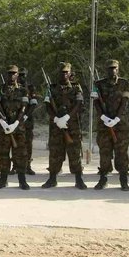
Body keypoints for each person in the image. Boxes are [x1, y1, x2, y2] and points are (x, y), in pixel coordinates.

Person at [42, 62, 87, 190]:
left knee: (75, 152)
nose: (64, 74)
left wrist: (67, 117)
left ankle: (79, 179)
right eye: (62, 72)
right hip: (56, 125)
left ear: (70, 73)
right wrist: (56, 118)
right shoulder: (51, 88)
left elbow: (79, 104)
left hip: (72, 125)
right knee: (55, 152)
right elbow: (48, 106)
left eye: (66, 72)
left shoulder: (76, 87)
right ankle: (52, 178)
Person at [92, 59, 129, 191]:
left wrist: (117, 118)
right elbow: (96, 102)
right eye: (109, 68)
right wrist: (103, 116)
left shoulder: (124, 83)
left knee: (121, 153)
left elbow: (124, 102)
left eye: (114, 68)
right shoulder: (98, 84)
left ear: (118, 69)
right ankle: (103, 178)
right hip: (104, 124)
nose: (112, 70)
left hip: (120, 124)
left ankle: (123, 180)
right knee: (105, 152)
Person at [0, 65, 30, 190]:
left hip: (18, 128)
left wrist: (16, 123)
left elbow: (24, 108)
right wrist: (3, 121)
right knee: (3, 154)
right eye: (9, 73)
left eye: (14, 73)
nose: (11, 75)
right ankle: (3, 180)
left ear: (17, 75)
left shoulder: (23, 90)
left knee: (20, 154)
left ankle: (22, 180)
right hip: (3, 127)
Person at [18, 67, 38, 175]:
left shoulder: (31, 88)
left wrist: (26, 115)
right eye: (20, 75)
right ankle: (15, 166)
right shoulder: (15, 87)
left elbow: (33, 103)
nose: (22, 77)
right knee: (16, 143)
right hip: (16, 120)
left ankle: (28, 165)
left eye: (24, 75)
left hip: (28, 120)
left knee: (28, 143)